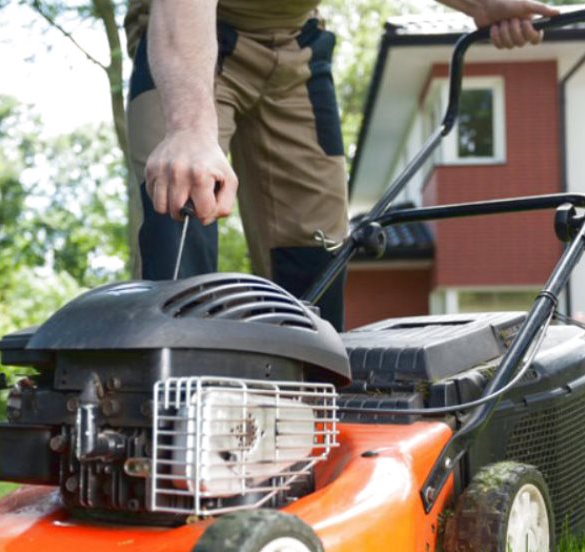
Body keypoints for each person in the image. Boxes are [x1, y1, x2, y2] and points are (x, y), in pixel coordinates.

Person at [125, 0, 558, 330]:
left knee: (316, 258)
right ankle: (167, 419)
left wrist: (484, 7)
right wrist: (189, 130)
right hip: (190, 35)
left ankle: (309, 423)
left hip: (296, 45)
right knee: (182, 212)